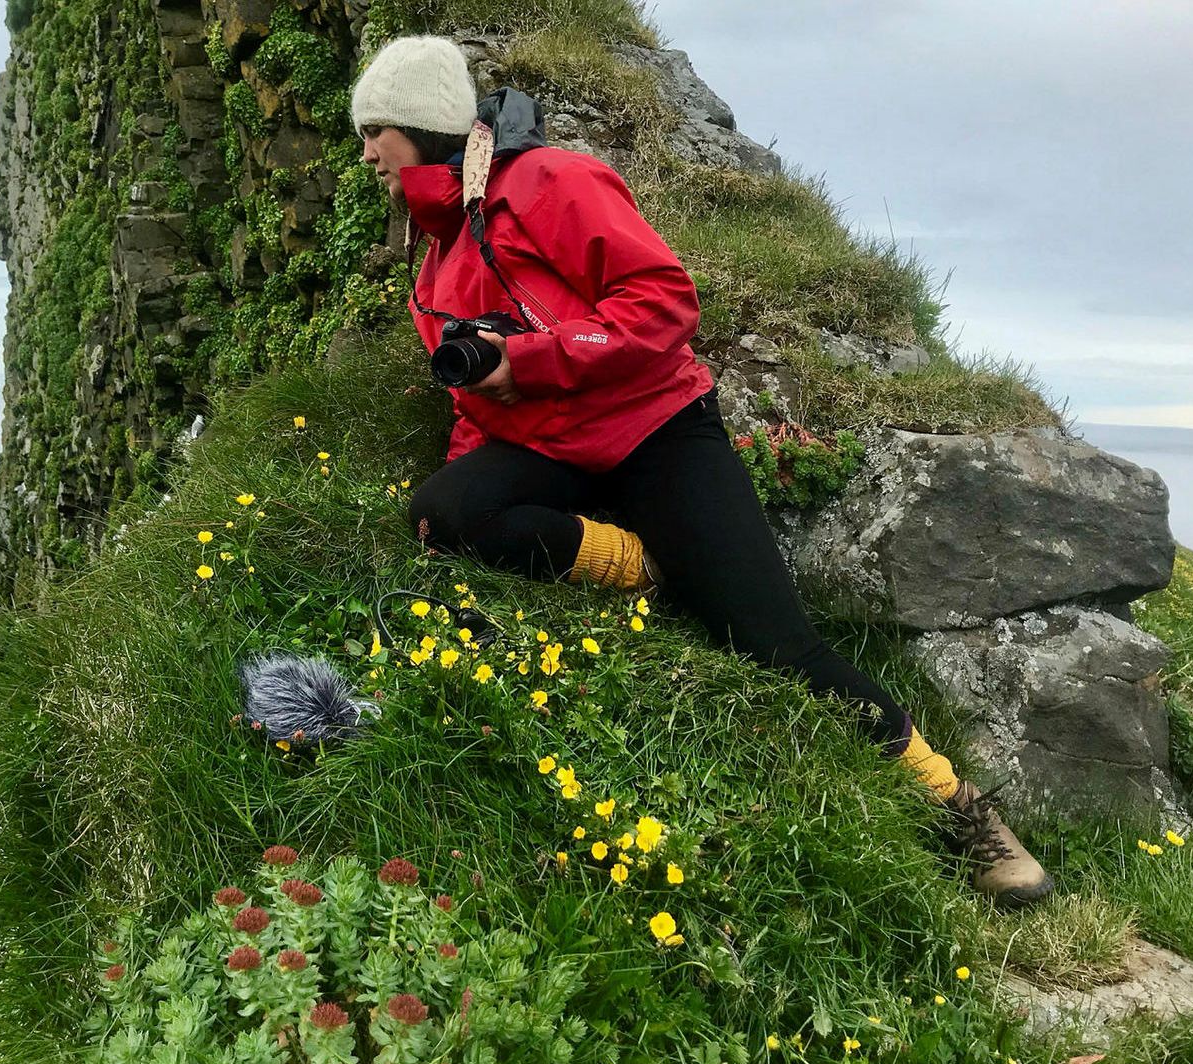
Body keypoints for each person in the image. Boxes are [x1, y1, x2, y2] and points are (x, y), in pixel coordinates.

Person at [350, 36, 1054, 907]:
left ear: (420, 124)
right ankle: (646, 564)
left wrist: (530, 357)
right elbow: (473, 410)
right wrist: (468, 478)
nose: (367, 153)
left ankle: (962, 808)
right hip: (551, 449)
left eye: (374, 130)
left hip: (656, 429)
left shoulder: (550, 184)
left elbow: (663, 303)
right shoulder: (436, 262)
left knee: (776, 645)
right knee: (440, 513)